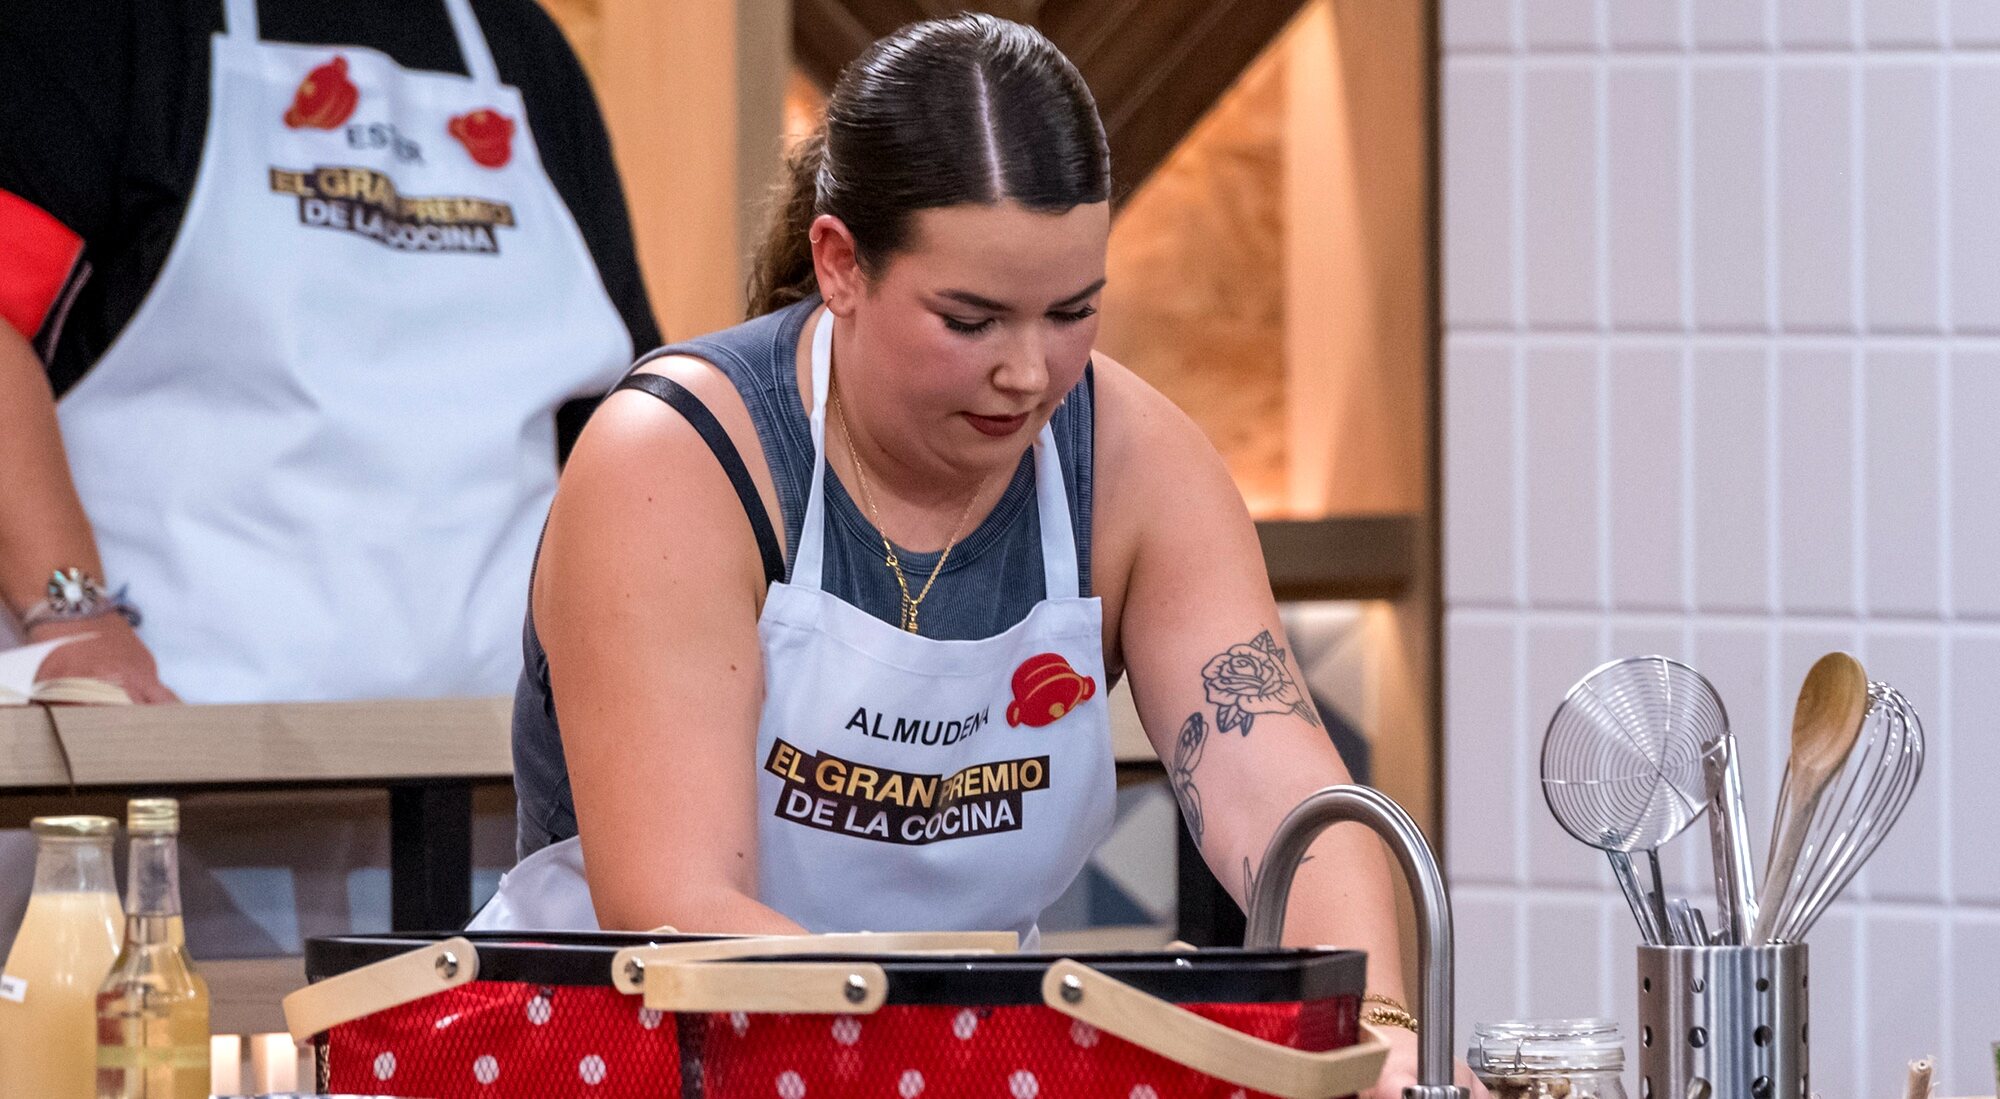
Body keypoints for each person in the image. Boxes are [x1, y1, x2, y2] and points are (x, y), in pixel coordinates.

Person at [477, 14, 1481, 1097]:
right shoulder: (677, 459)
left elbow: (1292, 803)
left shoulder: (1137, 466)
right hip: (639, 1061)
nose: (1026, 373)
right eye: (970, 319)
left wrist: (1374, 1031)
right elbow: (679, 912)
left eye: (1070, 313)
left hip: (961, 1062)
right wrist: (986, 1060)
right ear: (839, 264)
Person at [0, 0, 657, 702]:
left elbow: (618, 417)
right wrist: (72, 612)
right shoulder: (94, 27)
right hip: (167, 751)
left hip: (494, 765)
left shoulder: (519, 44)